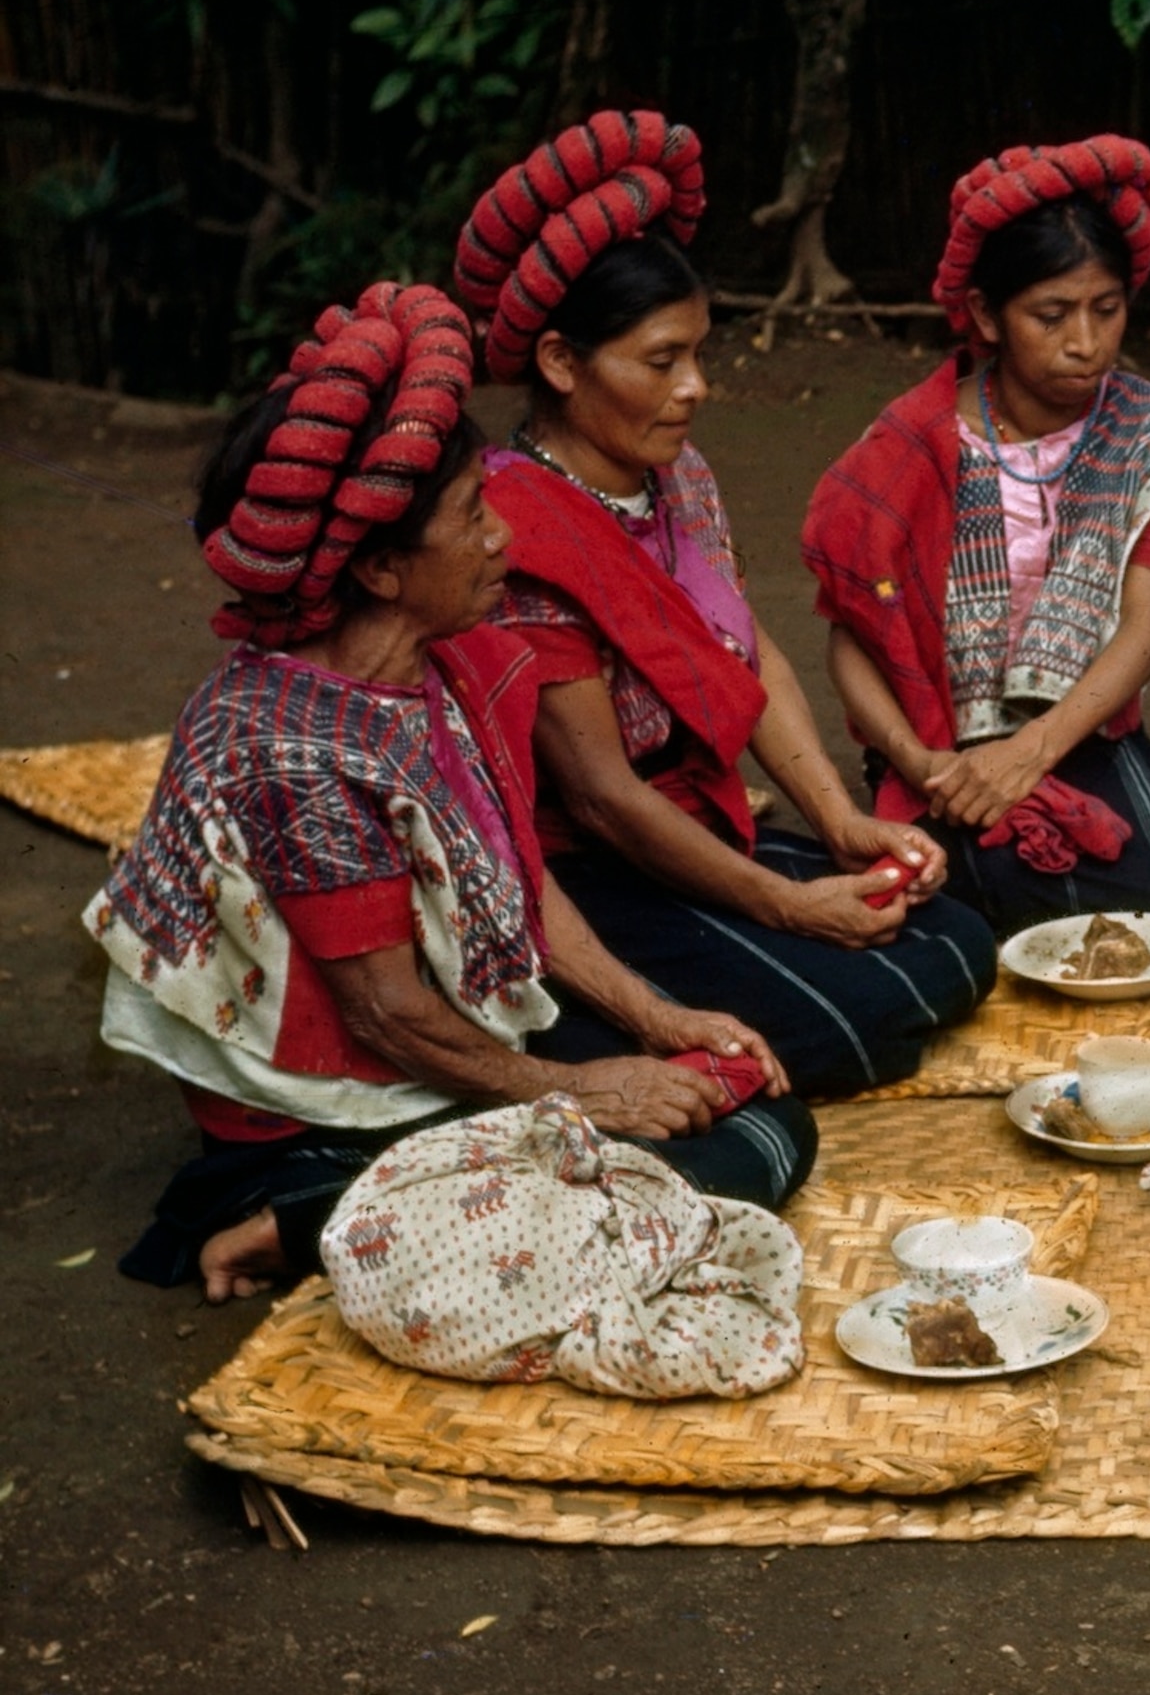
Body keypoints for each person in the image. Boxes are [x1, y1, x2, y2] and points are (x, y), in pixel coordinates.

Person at [89, 283, 813, 1304]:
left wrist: (657, 1020)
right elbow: (386, 1014)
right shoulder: (295, 749)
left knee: (760, 1117)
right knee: (711, 1166)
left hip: (421, 1051)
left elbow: (513, 880)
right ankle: (301, 1216)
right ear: (381, 568)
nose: (502, 542)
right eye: (475, 517)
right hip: (326, 1109)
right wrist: (582, 1092)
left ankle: (352, 1212)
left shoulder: (443, 662)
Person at [451, 110, 997, 1099]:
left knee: (958, 943)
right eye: (661, 361)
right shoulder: (514, 539)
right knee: (858, 1019)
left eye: (698, 353)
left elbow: (750, 653)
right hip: (591, 870)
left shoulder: (679, 476)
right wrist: (789, 911)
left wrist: (837, 823)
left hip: (695, 818)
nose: (695, 387)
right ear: (562, 364)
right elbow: (604, 800)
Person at [804, 136, 1150, 934]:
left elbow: (1141, 639)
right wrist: (920, 760)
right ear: (984, 316)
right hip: (936, 746)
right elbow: (850, 640)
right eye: (1051, 314)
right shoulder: (903, 448)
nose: (1085, 341)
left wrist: (1029, 754)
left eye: (1106, 310)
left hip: (1082, 729)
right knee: (935, 910)